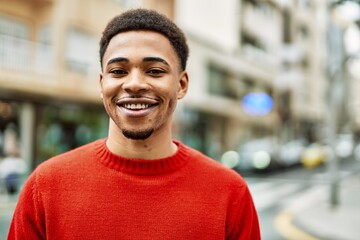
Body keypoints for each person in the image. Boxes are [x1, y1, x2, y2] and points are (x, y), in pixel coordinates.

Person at [8, 9, 260, 239]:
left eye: (155, 71)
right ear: (101, 84)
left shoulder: (230, 193)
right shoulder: (45, 186)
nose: (134, 83)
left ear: (181, 85)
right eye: (118, 71)